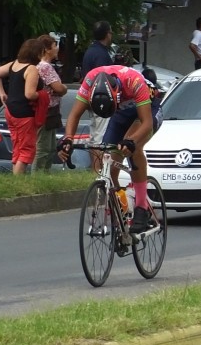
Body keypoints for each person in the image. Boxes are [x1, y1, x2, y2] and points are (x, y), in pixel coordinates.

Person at [58, 64, 162, 234]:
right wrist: (68, 139)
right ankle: (120, 203)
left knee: (132, 147)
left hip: (148, 109)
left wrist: (131, 141)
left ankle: (142, 206)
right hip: (120, 113)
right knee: (108, 161)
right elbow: (74, 115)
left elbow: (147, 123)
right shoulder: (90, 80)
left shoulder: (133, 81)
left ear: (117, 94)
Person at [0, 37, 44, 174]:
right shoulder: (31, 69)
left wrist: (1, 93)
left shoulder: (14, 64)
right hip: (24, 113)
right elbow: (29, 94)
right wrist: (43, 95)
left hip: (10, 111)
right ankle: (18, 180)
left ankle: (15, 178)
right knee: (26, 149)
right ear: (36, 53)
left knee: (17, 146)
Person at [79, 21, 114, 170]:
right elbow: (103, 78)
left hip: (90, 98)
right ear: (107, 34)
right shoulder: (101, 54)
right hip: (102, 100)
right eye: (111, 32)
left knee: (94, 136)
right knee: (101, 137)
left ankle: (95, 170)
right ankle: (100, 171)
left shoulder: (90, 51)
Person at [33, 35, 68, 172]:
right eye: (55, 45)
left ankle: (44, 175)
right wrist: (64, 88)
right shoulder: (45, 67)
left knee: (50, 146)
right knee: (43, 147)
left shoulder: (42, 66)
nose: (57, 48)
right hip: (46, 111)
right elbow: (58, 88)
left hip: (51, 111)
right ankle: (38, 176)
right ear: (47, 49)